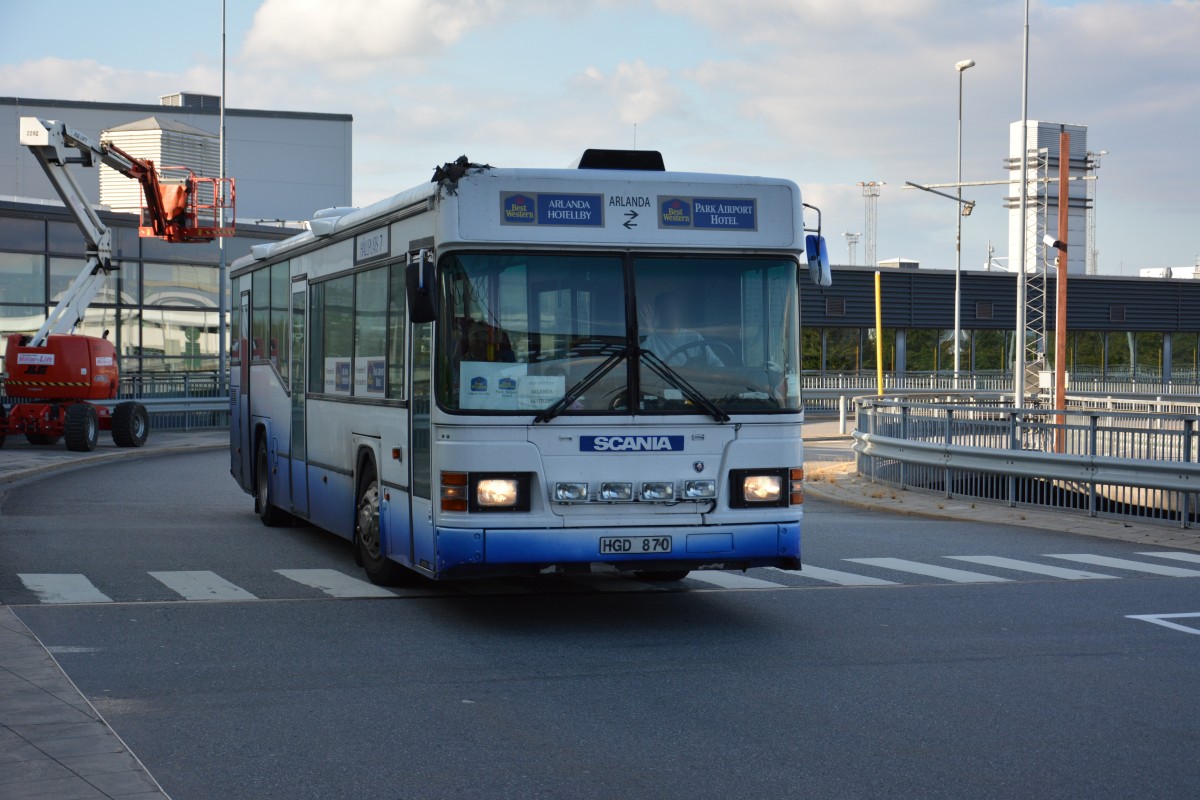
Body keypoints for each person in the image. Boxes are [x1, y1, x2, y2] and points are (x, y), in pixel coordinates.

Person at [640, 291, 723, 367]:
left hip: (687, 383)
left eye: (673, 309)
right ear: (657, 313)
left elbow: (716, 364)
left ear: (680, 312)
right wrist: (649, 329)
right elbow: (638, 365)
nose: (671, 314)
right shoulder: (651, 338)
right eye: (665, 309)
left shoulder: (694, 337)